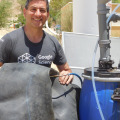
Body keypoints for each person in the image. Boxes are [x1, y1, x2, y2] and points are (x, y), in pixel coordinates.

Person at [0, 0, 73, 85]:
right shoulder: (9, 40)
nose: (38, 14)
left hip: (41, 95)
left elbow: (66, 70)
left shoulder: (53, 42)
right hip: (14, 96)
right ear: (25, 12)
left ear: (47, 14)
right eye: (33, 9)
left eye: (42, 10)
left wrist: (66, 74)